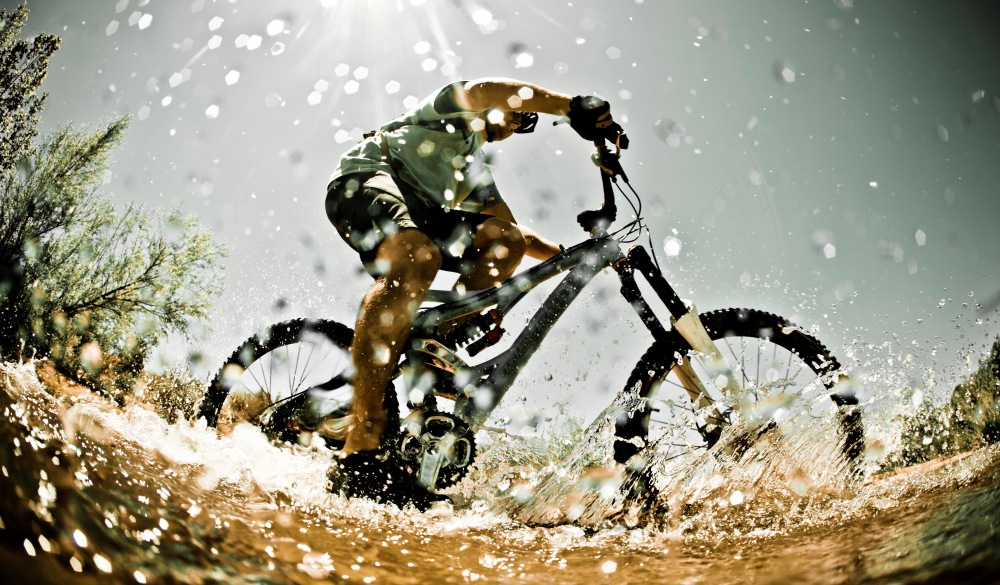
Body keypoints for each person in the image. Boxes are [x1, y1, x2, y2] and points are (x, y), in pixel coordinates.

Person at [324, 77, 623, 508]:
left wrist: (575, 254)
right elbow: (485, 88)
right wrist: (571, 106)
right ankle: (362, 436)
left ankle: (434, 346)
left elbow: (516, 234)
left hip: (421, 218)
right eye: (518, 113)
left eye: (526, 121)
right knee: (418, 255)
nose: (519, 120)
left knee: (506, 242)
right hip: (367, 181)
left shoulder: (474, 173)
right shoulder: (446, 115)